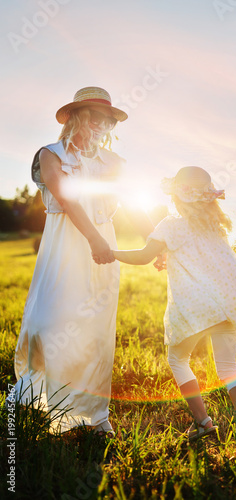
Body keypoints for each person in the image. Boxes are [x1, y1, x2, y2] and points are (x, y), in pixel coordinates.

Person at [11, 87, 156, 436]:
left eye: (107, 119)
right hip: (64, 249)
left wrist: (156, 243)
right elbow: (68, 199)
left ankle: (89, 415)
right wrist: (95, 239)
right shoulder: (50, 154)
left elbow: (135, 204)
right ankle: (40, 399)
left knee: (93, 334)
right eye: (95, 116)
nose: (101, 124)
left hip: (103, 253)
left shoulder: (115, 163)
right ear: (77, 116)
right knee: (47, 323)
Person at [109, 166, 236, 460]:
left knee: (178, 358)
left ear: (175, 196)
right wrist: (167, 256)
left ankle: (203, 422)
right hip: (226, 304)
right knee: (228, 369)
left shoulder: (170, 224)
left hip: (195, 306)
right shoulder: (216, 226)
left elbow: (144, 256)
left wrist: (110, 251)